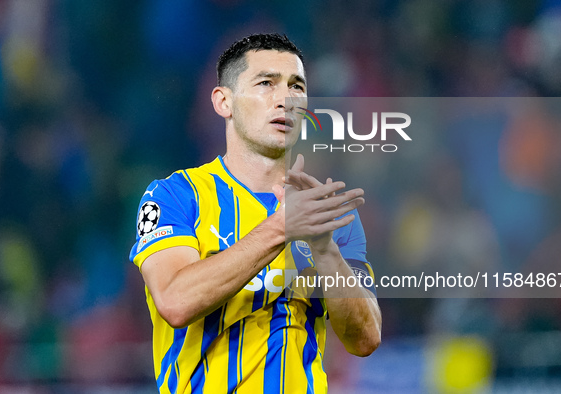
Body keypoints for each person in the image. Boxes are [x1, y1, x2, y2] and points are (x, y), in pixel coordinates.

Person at [130, 33, 381, 394]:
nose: (286, 99)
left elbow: (366, 339)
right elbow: (174, 301)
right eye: (266, 83)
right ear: (223, 102)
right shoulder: (175, 195)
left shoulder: (326, 211)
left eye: (297, 86)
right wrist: (281, 228)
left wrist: (325, 249)